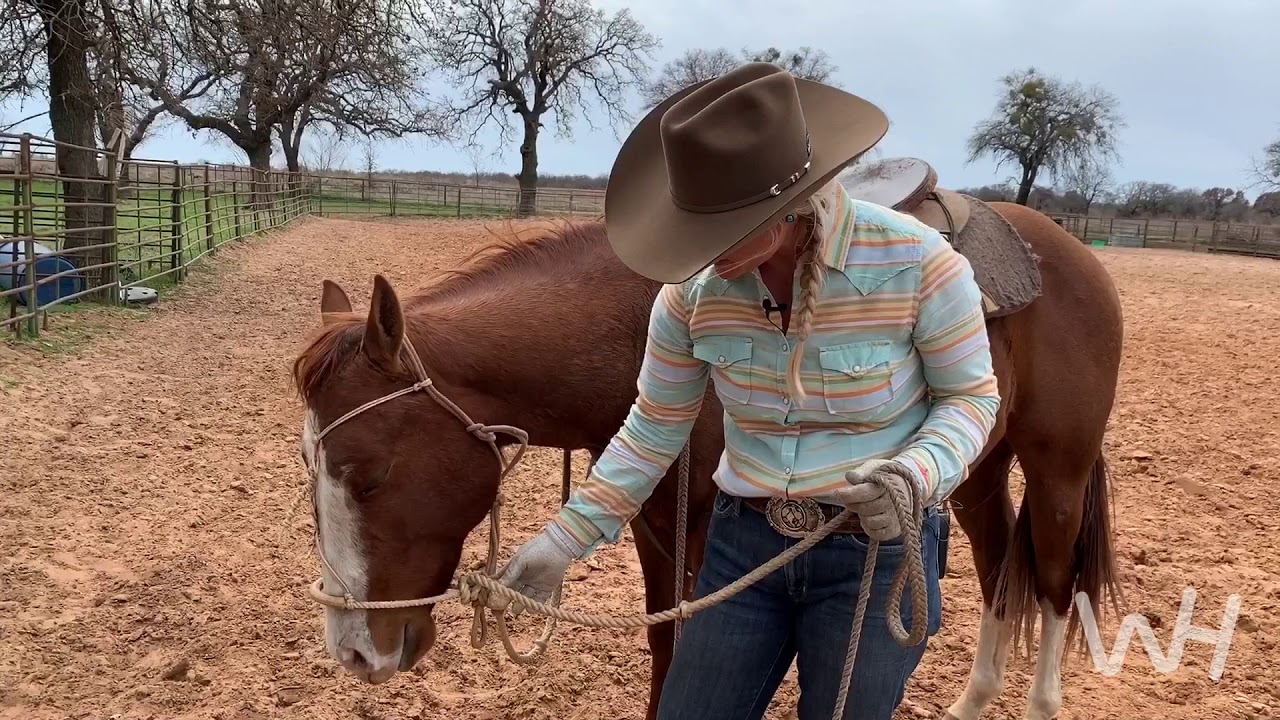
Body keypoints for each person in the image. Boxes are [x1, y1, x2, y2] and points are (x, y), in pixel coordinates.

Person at [496, 62, 1000, 720]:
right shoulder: (690, 298)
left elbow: (970, 399)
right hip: (744, 545)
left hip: (873, 554)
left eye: (717, 233)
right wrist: (564, 540)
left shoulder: (921, 266)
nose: (698, 254)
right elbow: (652, 429)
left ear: (791, 205)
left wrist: (918, 473)